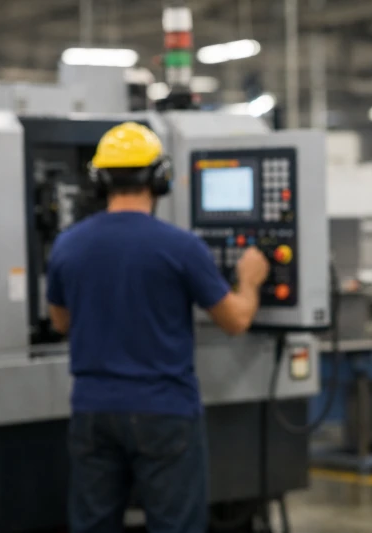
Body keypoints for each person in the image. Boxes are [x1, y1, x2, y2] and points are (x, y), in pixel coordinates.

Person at [46, 122, 270, 533]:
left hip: (93, 410)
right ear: (159, 178)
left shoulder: (68, 244)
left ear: (99, 180)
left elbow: (61, 321)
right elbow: (236, 319)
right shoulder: (181, 247)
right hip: (164, 411)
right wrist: (250, 280)